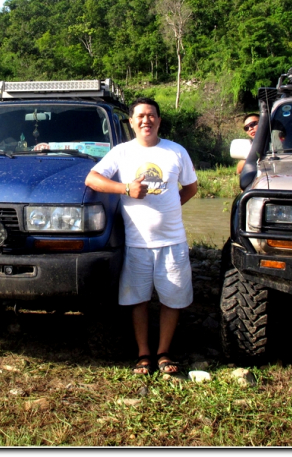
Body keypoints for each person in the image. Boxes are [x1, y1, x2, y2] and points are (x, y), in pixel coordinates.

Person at [85, 97, 198, 376]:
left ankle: (164, 352)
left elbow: (192, 187)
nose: (146, 120)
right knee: (138, 299)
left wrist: (169, 207)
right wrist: (125, 189)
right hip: (137, 243)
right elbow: (92, 179)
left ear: (159, 121)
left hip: (173, 240)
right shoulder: (121, 152)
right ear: (132, 122)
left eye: (151, 116)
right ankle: (143, 353)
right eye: (141, 116)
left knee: (173, 299)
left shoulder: (176, 151)